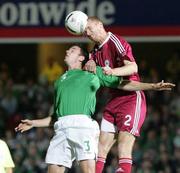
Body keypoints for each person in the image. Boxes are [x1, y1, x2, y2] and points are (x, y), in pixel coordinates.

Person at [15, 45, 174, 173]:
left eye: (72, 50)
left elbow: (123, 84)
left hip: (83, 126)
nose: (66, 51)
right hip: (61, 128)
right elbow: (56, 116)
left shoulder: (92, 73)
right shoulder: (59, 81)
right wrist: (34, 123)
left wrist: (152, 86)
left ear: (81, 58)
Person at [82, 16, 163, 173]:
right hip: (113, 100)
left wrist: (113, 71)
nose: (87, 33)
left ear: (100, 25)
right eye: (85, 31)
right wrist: (89, 64)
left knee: (123, 145)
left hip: (131, 97)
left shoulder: (115, 42)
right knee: (100, 149)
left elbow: (133, 67)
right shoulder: (94, 52)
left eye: (89, 28)